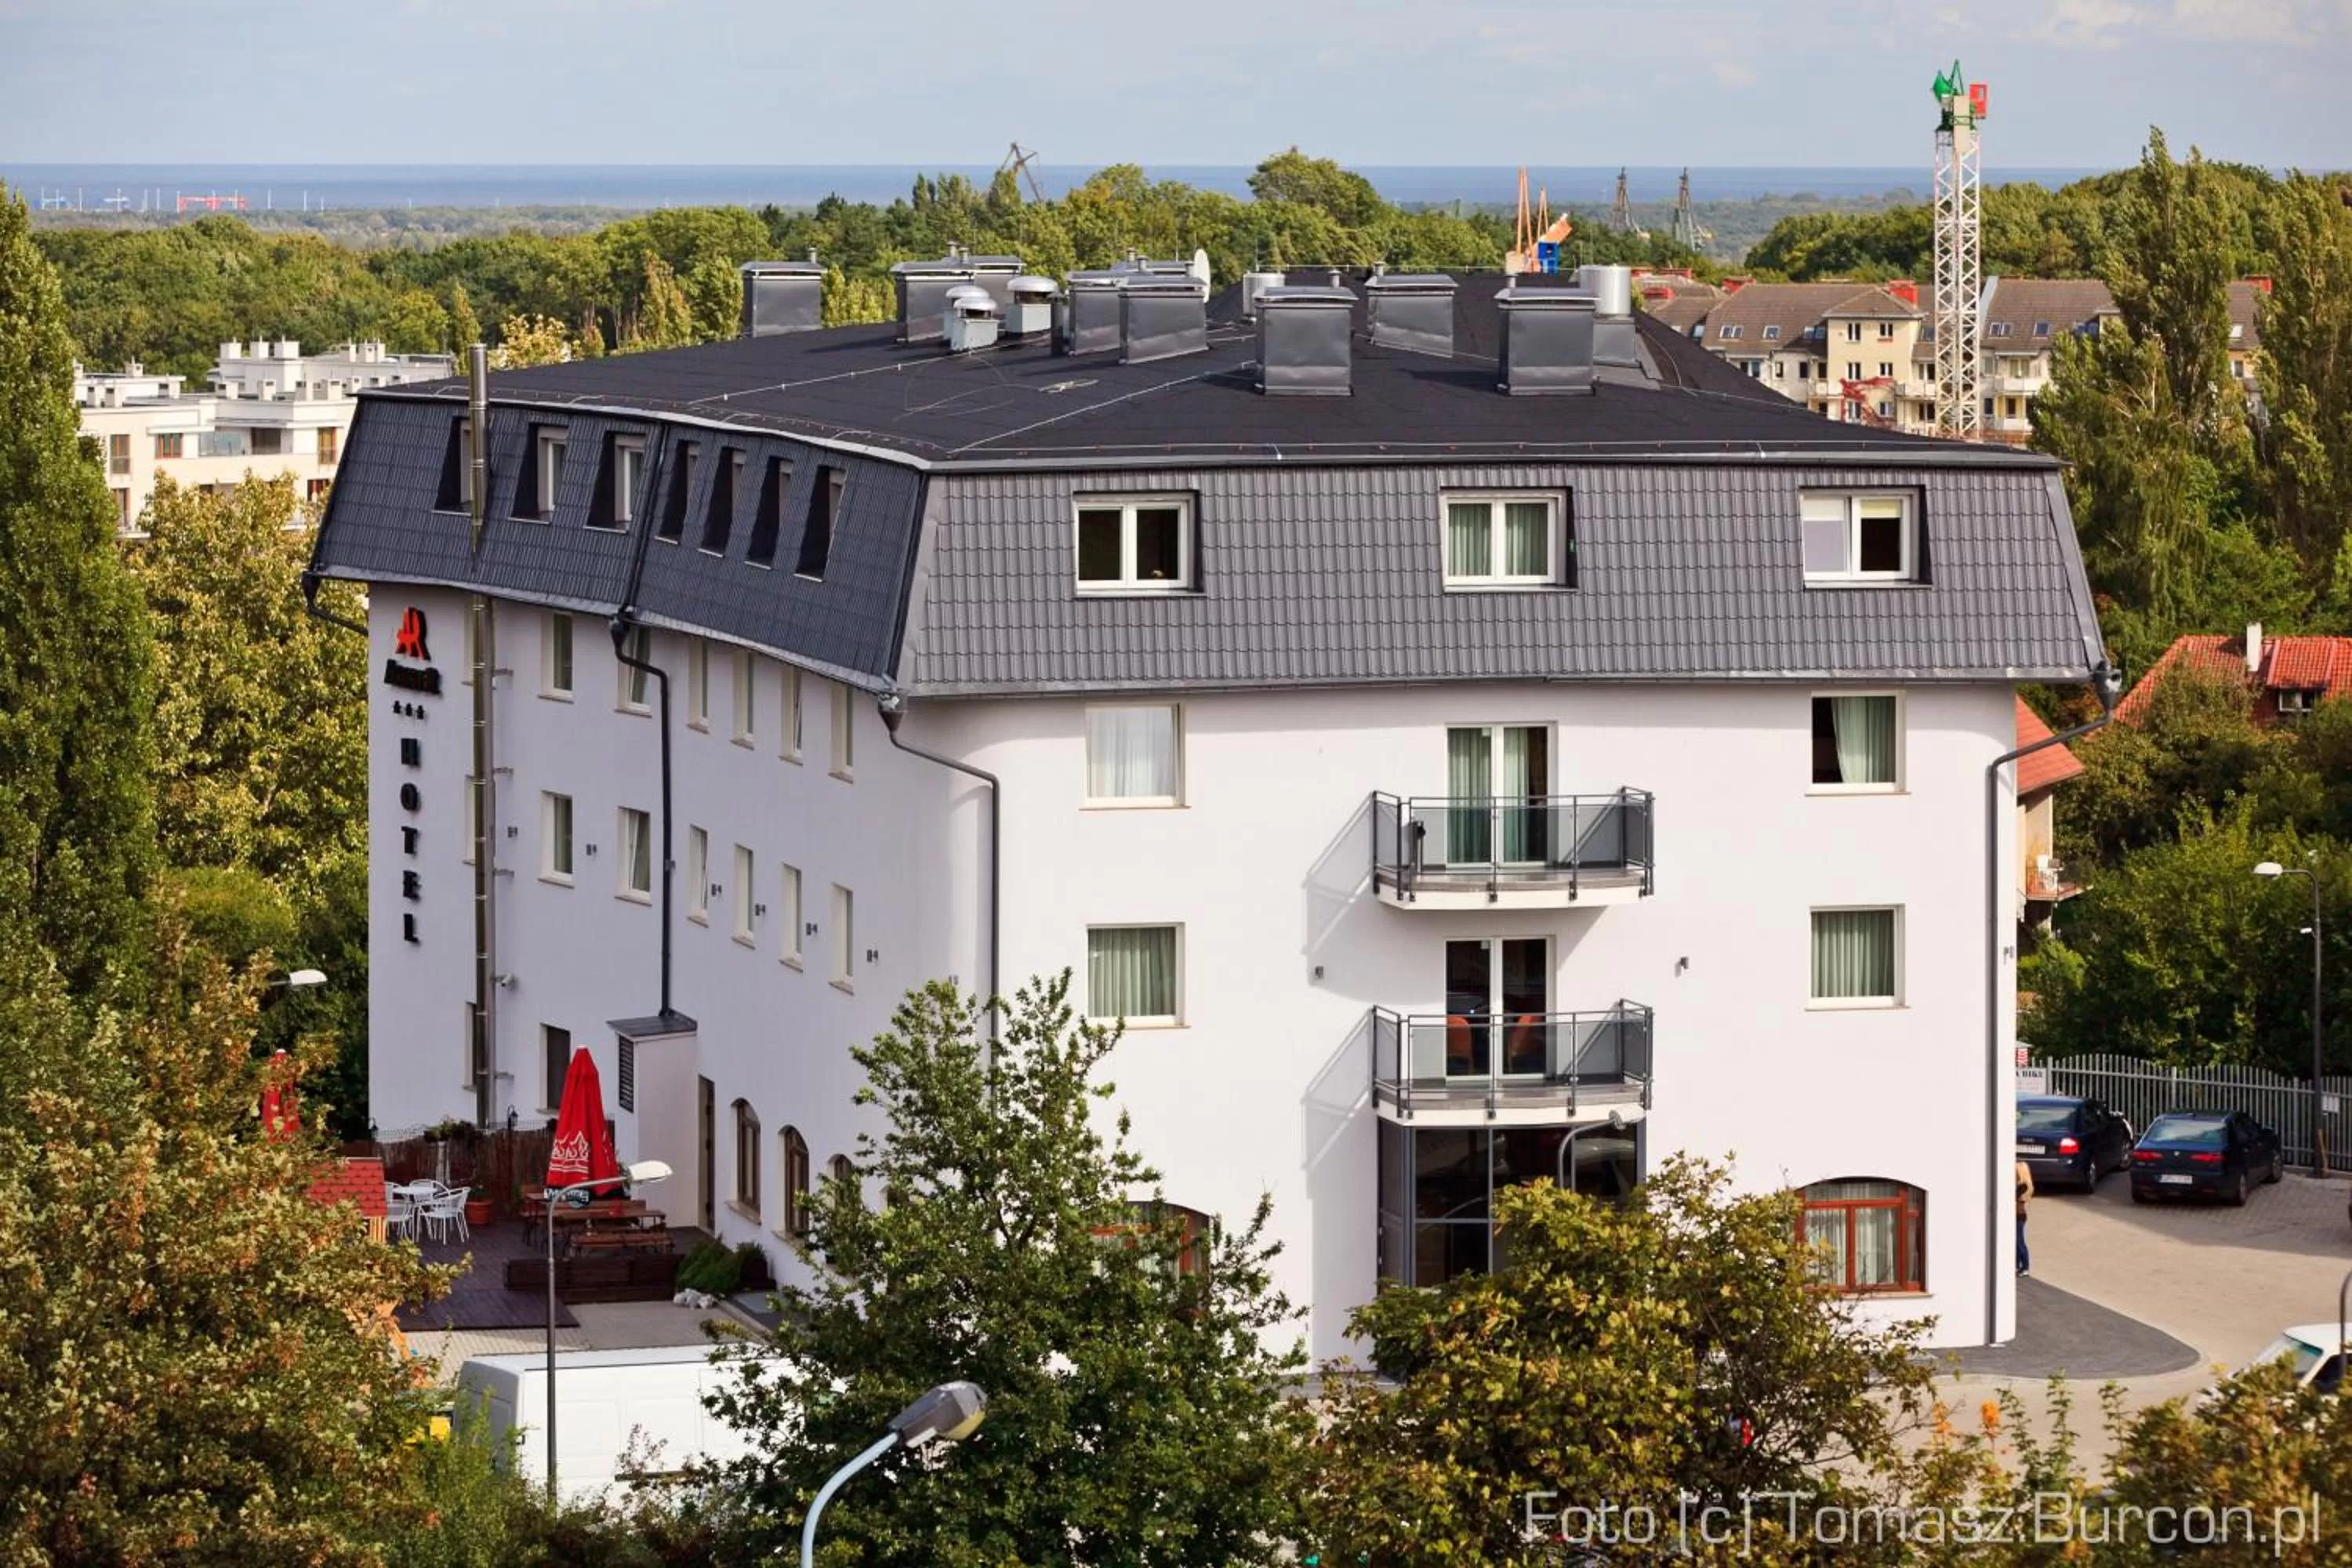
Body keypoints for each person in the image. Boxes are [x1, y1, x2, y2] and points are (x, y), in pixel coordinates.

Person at [2015, 1158, 2034, 1276]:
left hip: (2019, 1216)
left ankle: (2025, 1267)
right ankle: (2018, 1265)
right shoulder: (2020, 1185)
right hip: (2018, 1216)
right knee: (2017, 1242)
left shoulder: (2023, 1187)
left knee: (2020, 1241)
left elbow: (2017, 1200)